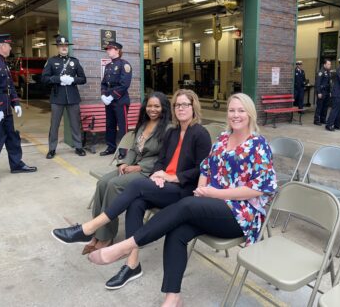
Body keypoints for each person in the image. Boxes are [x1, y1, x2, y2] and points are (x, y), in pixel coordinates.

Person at [52, 93, 277, 307]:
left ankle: (124, 246)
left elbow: (260, 189)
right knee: (176, 231)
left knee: (182, 203)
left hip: (240, 215)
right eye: (231, 110)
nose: (235, 115)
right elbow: (206, 168)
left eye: (241, 111)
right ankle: (172, 298)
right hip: (207, 204)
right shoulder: (222, 139)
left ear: (250, 114)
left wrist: (210, 193)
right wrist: (200, 190)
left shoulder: (258, 145)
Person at [52, 89, 211, 279]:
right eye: (177, 104)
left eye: (186, 104)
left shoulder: (200, 133)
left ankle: (88, 229)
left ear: (194, 107)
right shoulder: (174, 133)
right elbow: (161, 160)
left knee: (135, 187)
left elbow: (202, 169)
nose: (181, 108)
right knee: (135, 204)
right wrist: (159, 174)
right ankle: (133, 263)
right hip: (163, 184)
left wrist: (172, 177)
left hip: (182, 190)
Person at [82, 92, 171, 254]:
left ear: (163, 108)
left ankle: (106, 237)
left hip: (149, 172)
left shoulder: (168, 129)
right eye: (150, 105)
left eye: (157, 106)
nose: (152, 109)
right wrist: (125, 163)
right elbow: (133, 149)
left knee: (114, 185)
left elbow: (163, 157)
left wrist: (139, 167)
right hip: (133, 165)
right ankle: (97, 232)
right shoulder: (143, 125)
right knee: (102, 182)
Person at [0, 34, 36, 184]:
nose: (11, 47)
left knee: (12, 138)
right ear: (1, 46)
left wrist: (16, 103)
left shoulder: (3, 62)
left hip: (7, 107)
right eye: (9, 45)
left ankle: (16, 164)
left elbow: (10, 86)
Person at [41, 35, 87, 159]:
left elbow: (83, 79)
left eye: (66, 46)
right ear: (57, 47)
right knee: (54, 124)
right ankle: (52, 149)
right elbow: (44, 79)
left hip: (73, 97)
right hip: (57, 97)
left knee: (75, 123)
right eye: (61, 46)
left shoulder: (74, 61)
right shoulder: (51, 61)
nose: (64, 48)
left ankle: (78, 147)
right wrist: (58, 79)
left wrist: (72, 79)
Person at [100, 41, 132, 159]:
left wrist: (112, 96)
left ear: (117, 50)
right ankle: (111, 147)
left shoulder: (125, 65)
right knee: (110, 124)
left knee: (122, 126)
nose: (107, 51)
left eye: (110, 49)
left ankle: (124, 151)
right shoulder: (108, 66)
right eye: (107, 49)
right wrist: (103, 95)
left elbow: (125, 84)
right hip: (109, 101)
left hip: (120, 100)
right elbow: (104, 83)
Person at [313, 59, 331, 125]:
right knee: (319, 107)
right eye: (328, 64)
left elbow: (329, 83)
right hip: (322, 92)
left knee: (325, 107)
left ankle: (323, 119)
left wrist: (330, 92)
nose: (330, 65)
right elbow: (318, 83)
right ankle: (316, 120)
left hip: (326, 92)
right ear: (324, 64)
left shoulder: (328, 72)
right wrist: (319, 92)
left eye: (330, 64)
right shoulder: (321, 72)